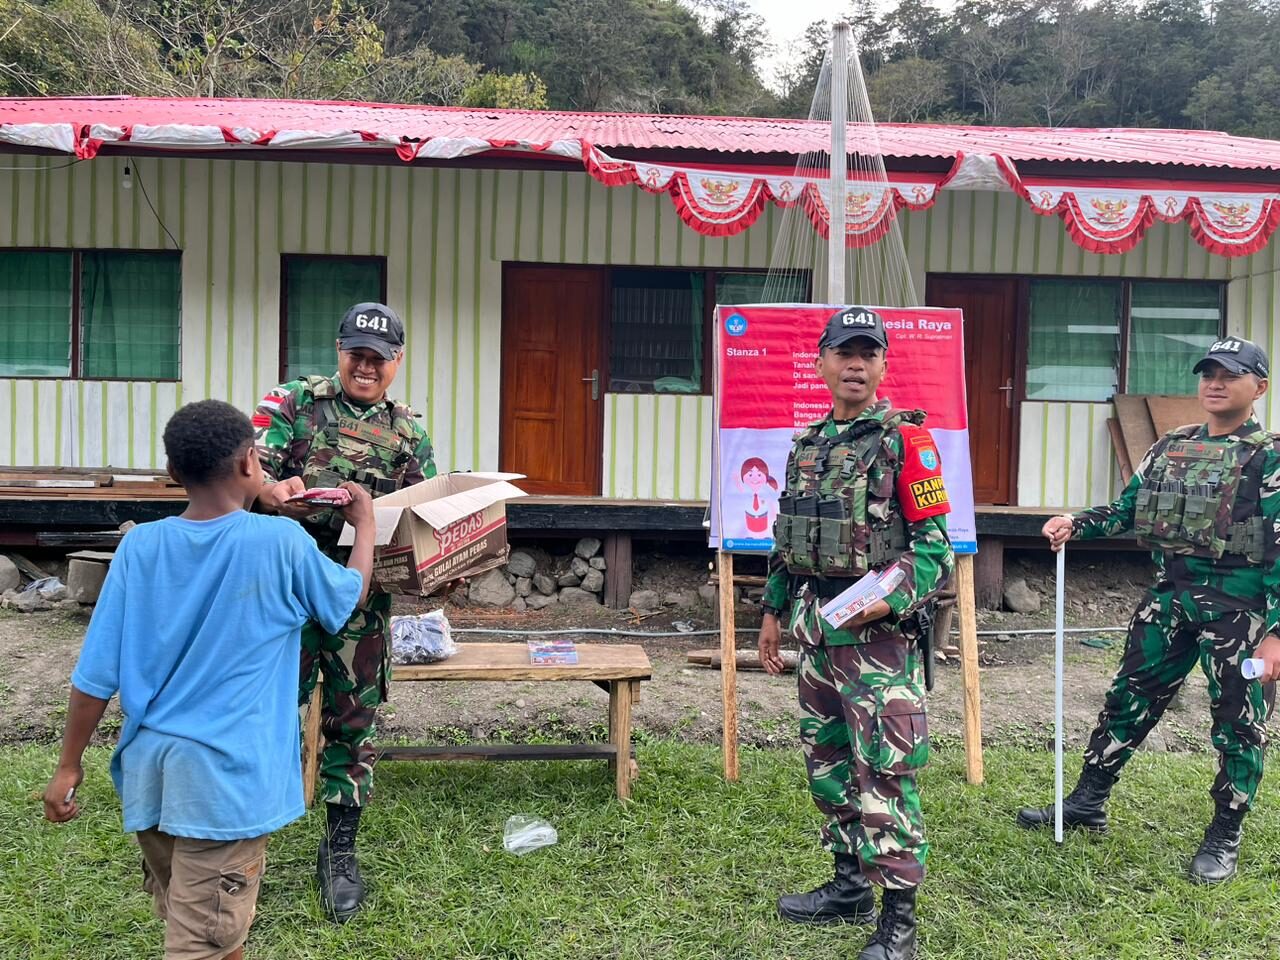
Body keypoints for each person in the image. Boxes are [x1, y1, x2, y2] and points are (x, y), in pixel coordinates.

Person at [43, 400, 375, 960]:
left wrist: (68, 764)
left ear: (174, 474)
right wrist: (363, 526)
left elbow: (95, 675)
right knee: (200, 942)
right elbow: (348, 598)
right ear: (251, 462)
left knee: (210, 924)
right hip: (225, 787)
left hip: (153, 775)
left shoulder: (139, 548)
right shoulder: (280, 544)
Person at [1017, 336, 1280, 884]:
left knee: (1240, 722)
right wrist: (1076, 523)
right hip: (1169, 601)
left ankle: (1225, 833)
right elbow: (1126, 510)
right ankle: (1087, 802)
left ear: (1258, 387)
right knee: (1127, 699)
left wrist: (1275, 636)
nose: (1214, 382)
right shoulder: (1171, 447)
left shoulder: (1272, 459)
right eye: (1207, 372)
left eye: (1229, 374)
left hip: (1243, 616)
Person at [758, 306, 955, 960]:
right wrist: (770, 613)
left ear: (882, 366)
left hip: (878, 645)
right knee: (829, 767)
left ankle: (898, 923)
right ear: (821, 363)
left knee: (887, 774)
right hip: (817, 636)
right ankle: (849, 886)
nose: (855, 363)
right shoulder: (807, 444)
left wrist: (882, 600)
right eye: (844, 351)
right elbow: (787, 541)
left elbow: (935, 550)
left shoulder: (906, 443)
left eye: (868, 353)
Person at [254, 301, 435, 922]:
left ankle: (339, 851)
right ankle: (245, 835)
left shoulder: (409, 432)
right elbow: (247, 468)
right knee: (268, 712)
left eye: (378, 359)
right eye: (357, 353)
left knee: (353, 724)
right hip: (284, 596)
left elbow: (421, 519)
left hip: (361, 606)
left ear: (396, 364)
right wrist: (270, 492)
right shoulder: (295, 402)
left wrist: (442, 567)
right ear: (339, 349)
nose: (366, 366)